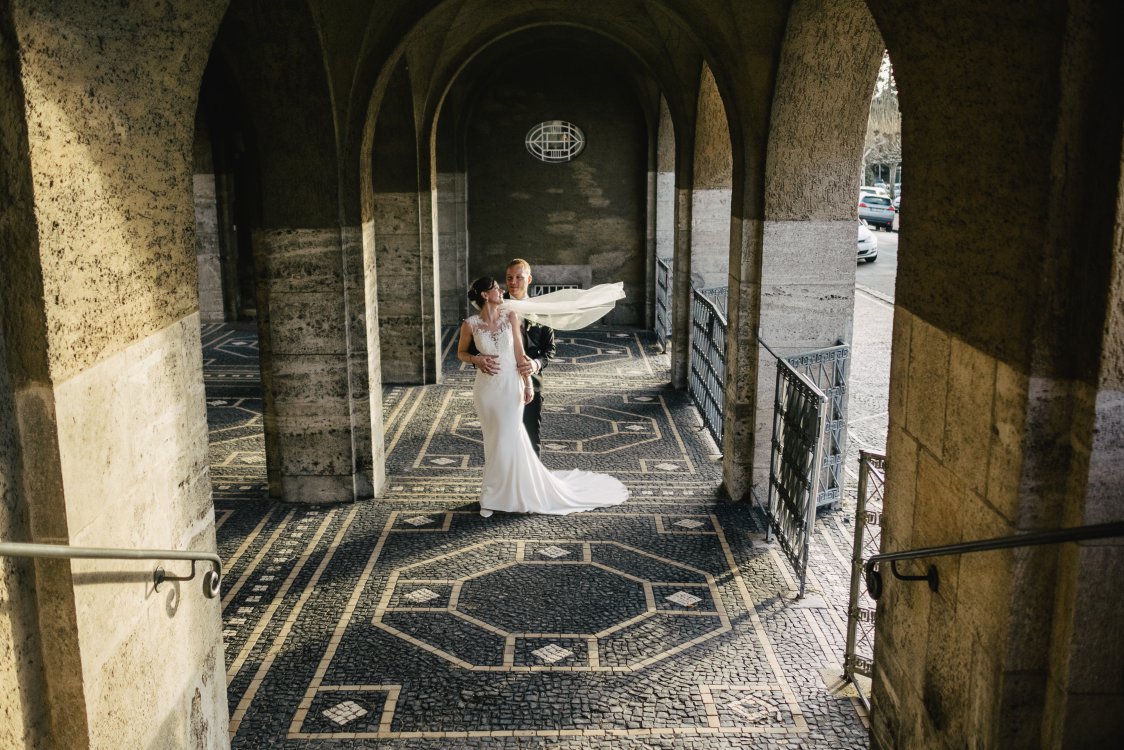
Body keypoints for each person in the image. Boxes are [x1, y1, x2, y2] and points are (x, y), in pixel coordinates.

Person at [457, 276, 629, 516]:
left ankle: (499, 495)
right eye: (496, 287)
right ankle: (494, 492)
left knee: (509, 436)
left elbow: (519, 354)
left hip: (511, 386)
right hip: (486, 390)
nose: (501, 289)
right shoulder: (471, 324)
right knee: (493, 440)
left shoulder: (511, 316)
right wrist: (476, 359)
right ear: (485, 295)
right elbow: (462, 353)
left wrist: (527, 383)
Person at [469, 258, 556, 456]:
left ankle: (531, 482)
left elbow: (550, 349)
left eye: (519, 277)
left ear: (529, 279)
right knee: (501, 436)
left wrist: (535, 364)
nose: (513, 282)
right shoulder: (494, 304)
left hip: (531, 380)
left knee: (531, 435)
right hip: (499, 381)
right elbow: (474, 345)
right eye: (509, 278)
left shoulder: (541, 310)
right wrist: (478, 360)